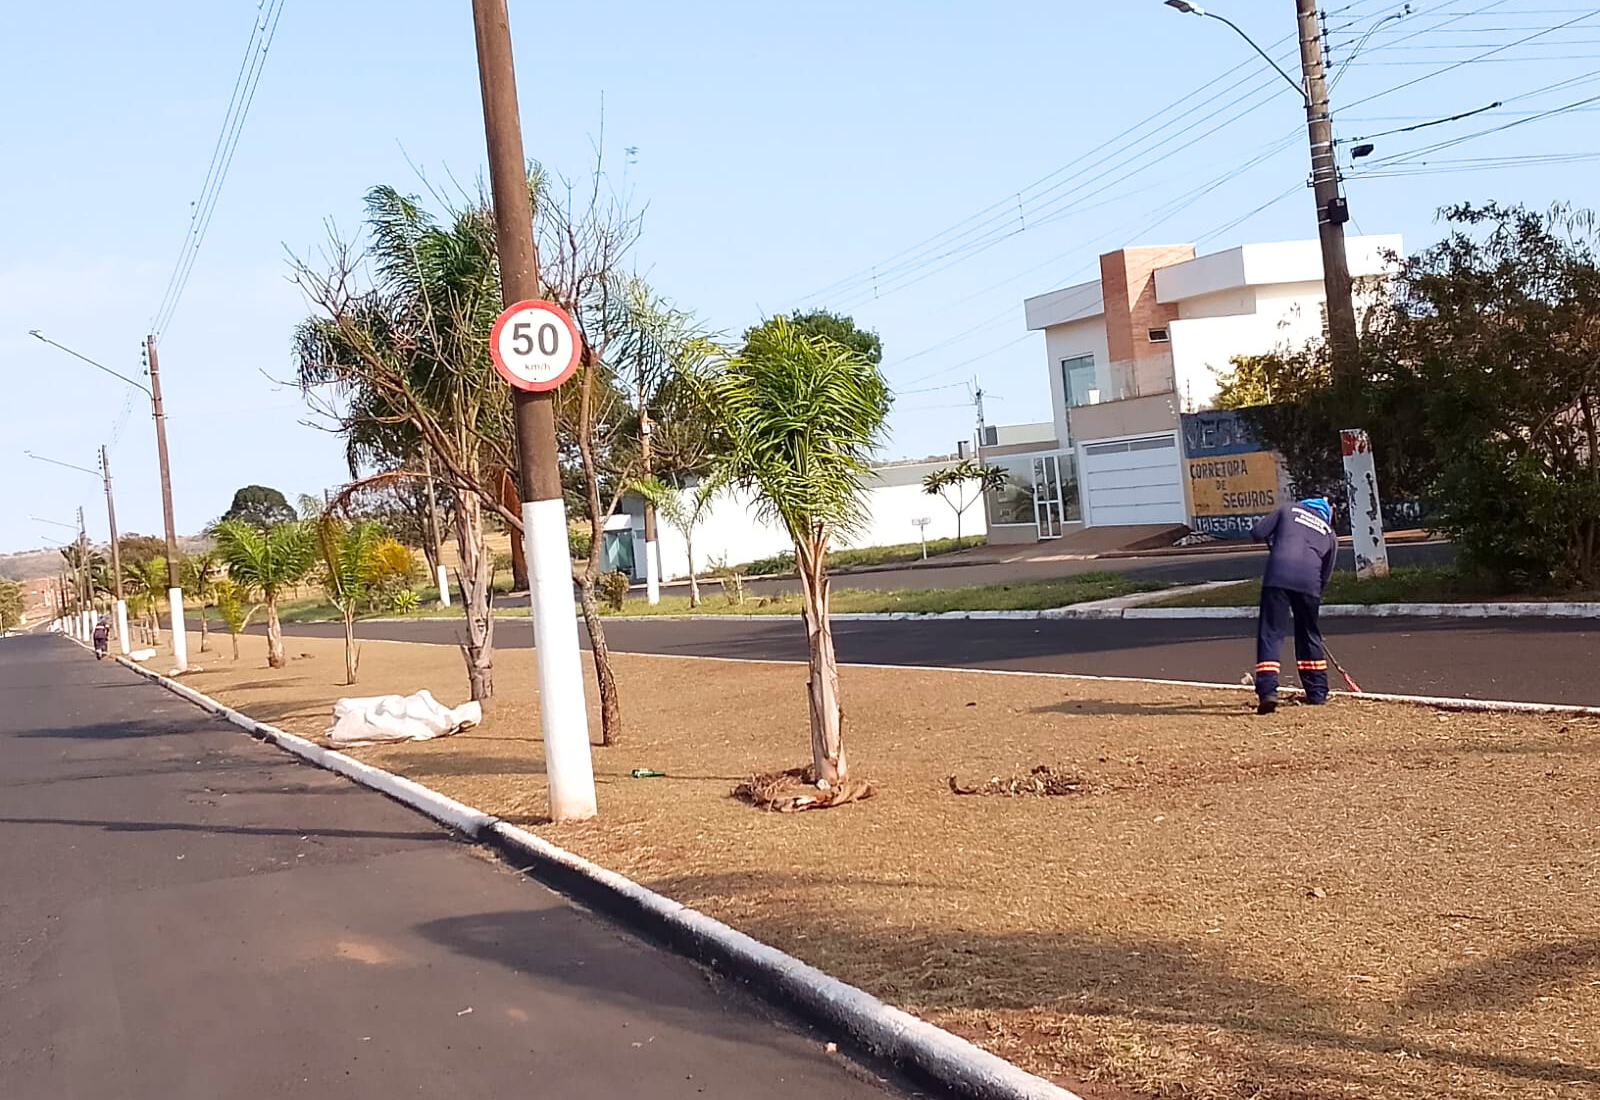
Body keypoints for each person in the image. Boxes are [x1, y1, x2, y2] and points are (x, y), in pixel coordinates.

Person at [1250, 497, 1337, 714]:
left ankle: (1268, 691)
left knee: (1271, 633)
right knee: (1309, 635)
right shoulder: (1329, 532)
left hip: (1278, 577)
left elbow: (1257, 532)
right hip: (1310, 584)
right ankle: (1317, 692)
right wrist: (1312, 593)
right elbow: (1326, 574)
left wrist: (1275, 536)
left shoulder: (1287, 510)